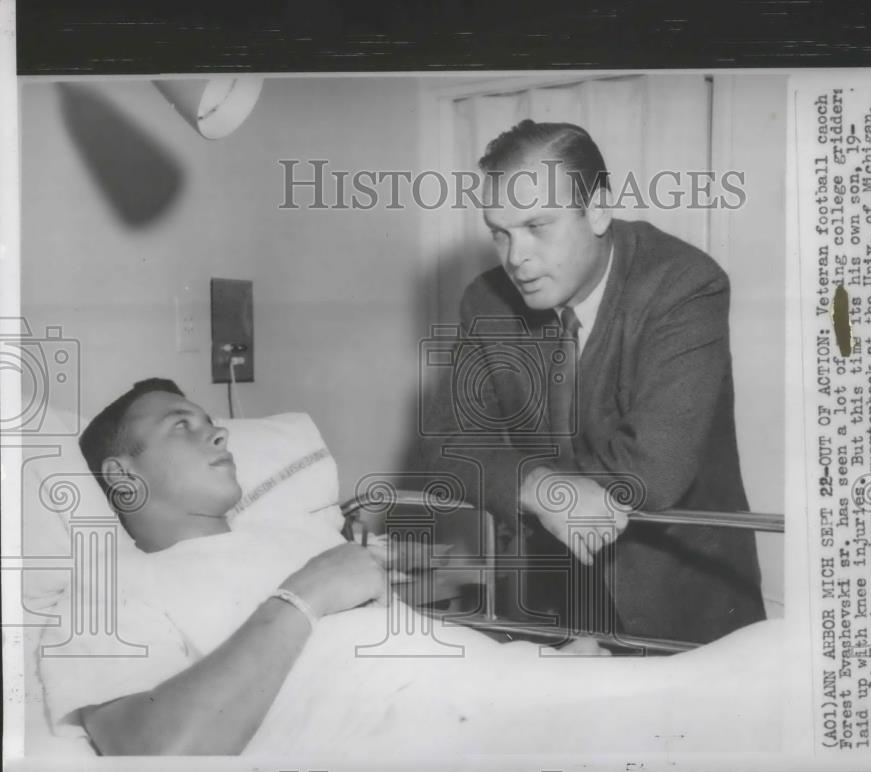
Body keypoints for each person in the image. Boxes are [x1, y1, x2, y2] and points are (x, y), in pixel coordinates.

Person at [40, 378, 620, 757]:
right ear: (121, 477)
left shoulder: (291, 536)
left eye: (208, 419)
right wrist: (307, 594)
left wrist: (410, 594)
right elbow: (153, 753)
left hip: (494, 698)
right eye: (180, 426)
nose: (217, 430)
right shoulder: (104, 592)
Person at [418, 120, 766, 643]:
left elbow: (655, 469)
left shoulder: (685, 285)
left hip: (680, 609)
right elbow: (447, 444)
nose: (516, 257)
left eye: (538, 226)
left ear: (598, 210)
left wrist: (525, 482)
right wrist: (541, 487)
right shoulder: (485, 301)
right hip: (550, 605)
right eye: (500, 232)